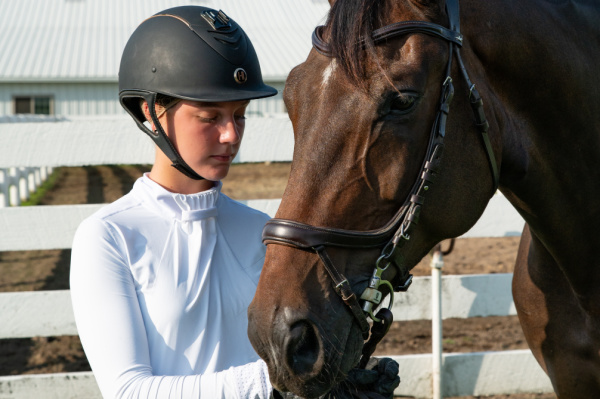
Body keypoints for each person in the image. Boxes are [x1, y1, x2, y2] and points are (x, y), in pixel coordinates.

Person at [70, 5, 399, 399]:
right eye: (210, 117)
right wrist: (270, 383)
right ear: (151, 111)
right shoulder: (108, 238)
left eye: (239, 115)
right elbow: (128, 391)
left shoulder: (261, 231)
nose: (231, 135)